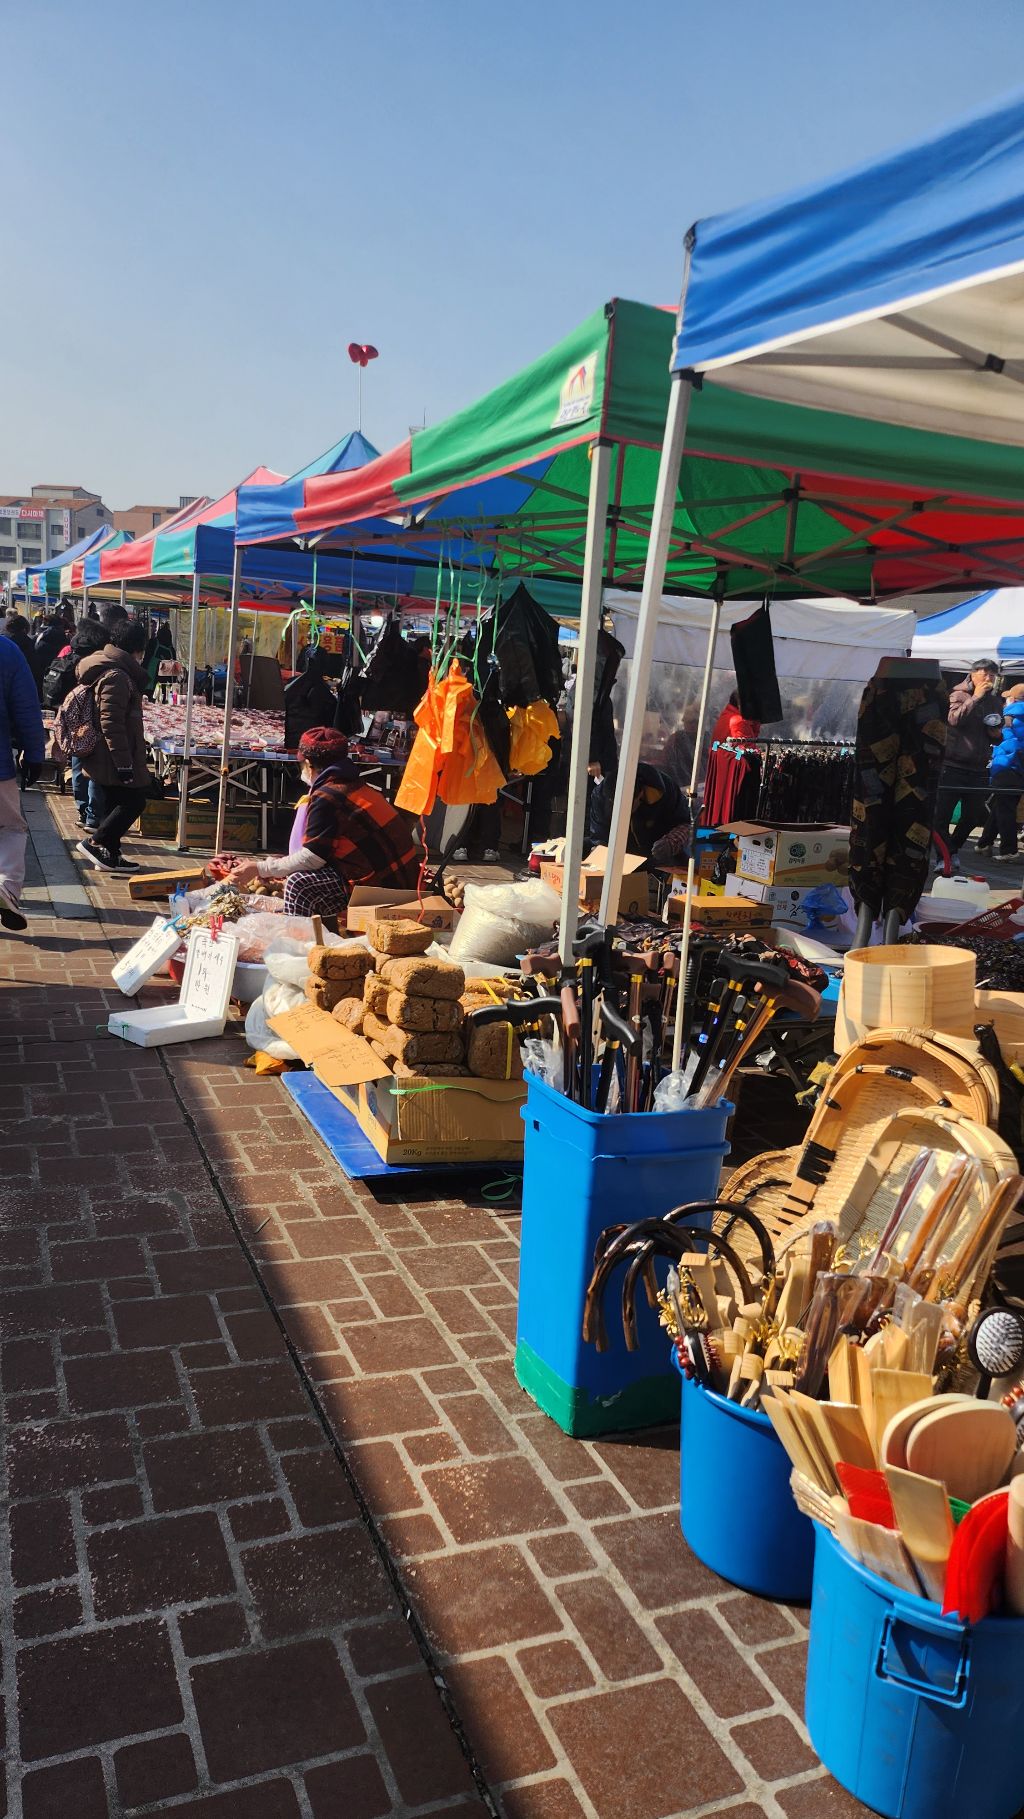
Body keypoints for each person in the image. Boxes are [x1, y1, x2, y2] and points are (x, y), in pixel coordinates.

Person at [228, 727, 419, 919]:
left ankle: (299, 935)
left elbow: (313, 858)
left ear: (308, 763)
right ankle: (313, 925)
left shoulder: (328, 797)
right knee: (296, 868)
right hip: (402, 881)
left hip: (386, 890)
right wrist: (273, 866)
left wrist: (261, 868)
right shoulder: (354, 785)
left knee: (299, 883)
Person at [75, 619, 153, 874]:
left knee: (115, 801)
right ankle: (95, 842)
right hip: (111, 754)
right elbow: (111, 723)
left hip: (109, 753)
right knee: (134, 801)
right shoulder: (118, 676)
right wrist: (124, 763)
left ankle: (110, 854)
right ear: (137, 649)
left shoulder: (114, 669)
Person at [933, 659, 1006, 866]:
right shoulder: (958, 695)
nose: (989, 678)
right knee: (941, 817)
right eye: (985, 674)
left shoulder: (994, 701)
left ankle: (951, 851)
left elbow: (996, 732)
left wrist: (996, 734)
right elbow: (953, 720)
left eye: (992, 675)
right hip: (952, 766)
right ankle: (944, 857)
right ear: (973, 674)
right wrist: (975, 698)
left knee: (973, 816)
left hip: (978, 768)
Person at [0, 633, 45, 932]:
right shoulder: (7, 651)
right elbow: (26, 708)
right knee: (11, 828)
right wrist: (34, 754)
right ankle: (6, 886)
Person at [49, 617, 109, 829]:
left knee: (77, 767)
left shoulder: (70, 653)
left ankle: (83, 812)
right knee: (94, 772)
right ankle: (92, 817)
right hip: (92, 723)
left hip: (72, 721)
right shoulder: (97, 664)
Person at [587, 760, 691, 868]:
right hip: (622, 863)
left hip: (662, 861)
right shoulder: (600, 796)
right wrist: (600, 855)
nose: (623, 813)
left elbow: (686, 824)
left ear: (640, 795)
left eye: (628, 807)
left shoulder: (666, 790)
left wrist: (671, 843)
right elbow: (600, 836)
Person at [984, 691, 1024, 862]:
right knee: (1001, 805)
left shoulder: (1009, 715)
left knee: (1005, 809)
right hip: (1018, 769)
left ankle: (1009, 849)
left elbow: (1007, 742)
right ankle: (984, 843)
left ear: (1012, 699)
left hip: (1008, 766)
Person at [3, 613, 46, 699]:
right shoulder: (30, 644)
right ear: (25, 629)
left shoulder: (4, 643)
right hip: (26, 688)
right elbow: (36, 668)